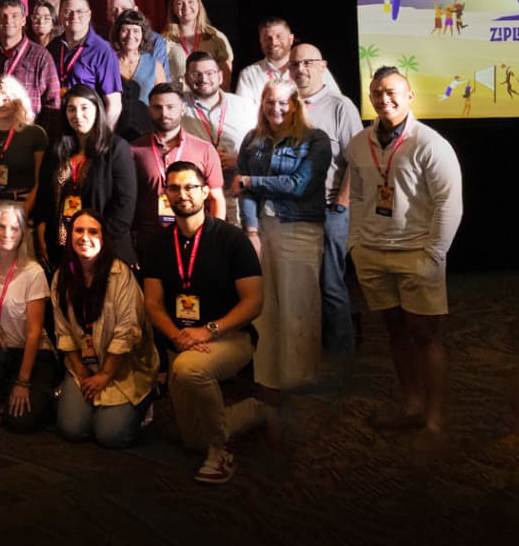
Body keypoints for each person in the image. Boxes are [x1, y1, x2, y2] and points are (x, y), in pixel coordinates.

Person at [342, 68, 462, 449]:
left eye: (392, 92)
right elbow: (358, 197)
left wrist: (433, 255)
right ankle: (411, 406)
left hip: (416, 255)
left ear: (410, 96)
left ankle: (435, 421)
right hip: (373, 255)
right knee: (394, 332)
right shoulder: (359, 143)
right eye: (376, 93)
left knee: (427, 336)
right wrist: (355, 245)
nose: (383, 99)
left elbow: (449, 204)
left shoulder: (430, 143)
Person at [142, 161, 266, 484]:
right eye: (174, 188)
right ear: (166, 193)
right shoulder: (157, 244)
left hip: (230, 336)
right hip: (181, 341)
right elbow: (152, 303)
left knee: (188, 369)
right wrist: (177, 335)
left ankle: (220, 452)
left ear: (204, 192)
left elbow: (254, 302)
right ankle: (252, 411)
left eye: (189, 187)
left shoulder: (231, 239)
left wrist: (207, 330)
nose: (182, 195)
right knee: (191, 440)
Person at [236, 79, 332, 395]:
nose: (275, 108)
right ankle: (268, 381)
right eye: (269, 102)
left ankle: (299, 381)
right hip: (262, 229)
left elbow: (298, 185)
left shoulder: (316, 141)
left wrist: (252, 179)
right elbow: (242, 190)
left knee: (298, 307)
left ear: (294, 104)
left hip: (300, 230)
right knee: (264, 310)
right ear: (262, 104)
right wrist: (250, 230)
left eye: (282, 102)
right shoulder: (252, 139)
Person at [51, 211, 157, 447]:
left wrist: (104, 375)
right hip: (84, 366)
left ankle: (146, 400)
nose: (84, 237)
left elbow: (126, 334)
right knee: (72, 430)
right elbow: (64, 332)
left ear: (104, 238)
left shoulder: (121, 276)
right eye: (78, 231)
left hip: (122, 367)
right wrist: (81, 372)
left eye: (93, 232)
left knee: (110, 436)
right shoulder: (62, 277)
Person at [292, 43, 362, 355]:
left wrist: (341, 204)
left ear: (323, 66)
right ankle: (308, 353)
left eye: (308, 62)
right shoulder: (283, 105)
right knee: (300, 287)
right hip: (291, 212)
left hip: (329, 209)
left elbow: (357, 160)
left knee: (331, 284)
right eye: (295, 64)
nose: (301, 69)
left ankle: (340, 356)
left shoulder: (340, 106)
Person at [0, 203, 55, 432]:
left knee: (21, 423)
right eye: (1, 227)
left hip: (31, 353)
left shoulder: (33, 272)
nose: (7, 234)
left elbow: (34, 332)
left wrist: (23, 382)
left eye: (14, 228)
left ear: (22, 234)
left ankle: (20, 394)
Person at [37, 85, 137, 267]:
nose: (77, 115)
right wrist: (41, 229)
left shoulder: (117, 148)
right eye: (71, 109)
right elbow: (44, 195)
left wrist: (95, 240)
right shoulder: (56, 149)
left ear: (97, 110)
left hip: (105, 247)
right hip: (61, 247)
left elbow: (124, 205)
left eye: (84, 108)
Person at [132, 84, 226, 248]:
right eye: (157, 107)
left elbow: (215, 199)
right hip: (148, 240)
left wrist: (213, 240)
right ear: (149, 110)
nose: (164, 113)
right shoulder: (133, 150)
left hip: (194, 239)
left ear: (182, 109)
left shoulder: (204, 149)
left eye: (170, 107)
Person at [182, 51, 258, 226]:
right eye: (196, 74)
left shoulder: (244, 106)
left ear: (220, 76)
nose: (203, 78)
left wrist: (239, 160)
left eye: (210, 73)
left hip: (238, 195)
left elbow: (263, 148)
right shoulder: (178, 107)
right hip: (198, 196)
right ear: (186, 79)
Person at [0, 0, 61, 124]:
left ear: (23, 20)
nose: (8, 20)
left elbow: (52, 103)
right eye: (2, 16)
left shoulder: (41, 57)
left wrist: (42, 138)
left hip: (29, 134)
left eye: (14, 16)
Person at [49, 0, 124, 128]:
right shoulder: (52, 47)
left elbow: (114, 104)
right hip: (57, 127)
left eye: (80, 12)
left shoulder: (102, 50)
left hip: (87, 127)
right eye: (68, 12)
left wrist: (101, 138)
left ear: (89, 15)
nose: (74, 16)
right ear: (60, 15)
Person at [0, 76, 48, 209]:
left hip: (22, 204)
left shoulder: (35, 134)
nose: (0, 104)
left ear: (17, 102)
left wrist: (24, 214)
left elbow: (40, 183)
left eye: (6, 99)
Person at [234, 18, 340, 101]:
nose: (273, 42)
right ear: (260, 41)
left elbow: (335, 101)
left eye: (279, 36)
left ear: (291, 39)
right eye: (267, 38)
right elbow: (244, 115)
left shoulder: (314, 67)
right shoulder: (249, 74)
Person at [164, 0, 234, 91]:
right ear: (173, 9)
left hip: (209, 102)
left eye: (191, 1)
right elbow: (160, 77)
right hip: (180, 102)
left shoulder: (215, 36)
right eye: (179, 3)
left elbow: (226, 76)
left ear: (199, 5)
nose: (185, 6)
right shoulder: (164, 40)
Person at [112, 10, 167, 106]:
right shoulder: (108, 62)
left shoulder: (155, 65)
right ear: (118, 33)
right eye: (125, 30)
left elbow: (163, 101)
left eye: (136, 31)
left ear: (143, 34)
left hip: (146, 120)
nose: (130, 36)